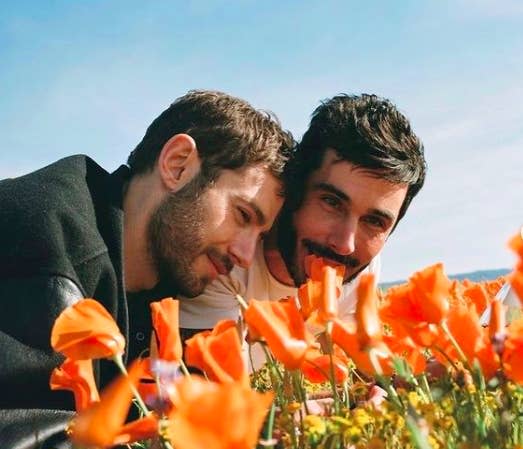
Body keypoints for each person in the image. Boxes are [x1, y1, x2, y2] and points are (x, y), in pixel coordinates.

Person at [0, 90, 293, 447]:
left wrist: (270, 428)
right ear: (178, 164)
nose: (247, 256)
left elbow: (153, 409)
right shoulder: (48, 246)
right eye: (243, 215)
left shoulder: (160, 281)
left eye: (261, 237)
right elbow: (28, 434)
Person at [179, 94, 427, 361]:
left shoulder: (359, 267)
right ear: (294, 189)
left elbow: (348, 373)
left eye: (374, 222)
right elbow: (211, 394)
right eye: (332, 202)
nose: (345, 244)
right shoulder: (226, 257)